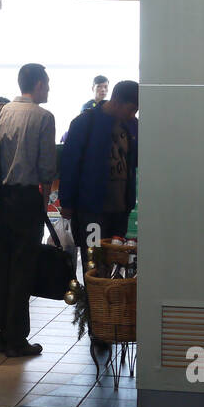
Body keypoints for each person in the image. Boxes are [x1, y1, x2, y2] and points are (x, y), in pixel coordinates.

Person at [0, 62, 57, 358]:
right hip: (27, 199)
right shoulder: (44, 117)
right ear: (39, 84)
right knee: (22, 269)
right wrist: (44, 204)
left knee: (2, 267)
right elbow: (46, 169)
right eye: (48, 83)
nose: (49, 89)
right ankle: (17, 340)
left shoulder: (1, 112)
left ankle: (4, 335)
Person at [59, 80, 139, 280]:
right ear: (117, 101)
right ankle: (92, 308)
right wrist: (66, 203)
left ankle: (111, 309)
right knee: (93, 260)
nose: (133, 114)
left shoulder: (132, 126)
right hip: (92, 210)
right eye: (131, 109)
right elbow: (69, 165)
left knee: (117, 261)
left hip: (120, 210)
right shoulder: (85, 123)